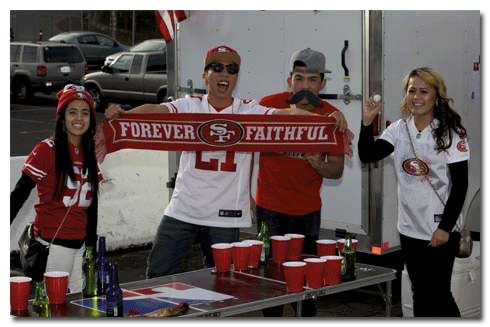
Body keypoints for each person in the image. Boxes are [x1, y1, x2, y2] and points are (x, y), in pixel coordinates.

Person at [104, 45, 345, 279]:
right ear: (205, 75)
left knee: (222, 283)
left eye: (231, 70)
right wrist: (124, 114)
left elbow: (288, 115)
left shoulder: (249, 111)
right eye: (217, 67)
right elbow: (157, 110)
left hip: (224, 215)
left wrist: (326, 120)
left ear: (237, 77)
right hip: (184, 209)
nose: (224, 73)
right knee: (157, 273)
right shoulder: (190, 105)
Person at [358, 67, 468, 317]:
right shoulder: (398, 129)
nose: (417, 97)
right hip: (409, 228)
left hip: (440, 228)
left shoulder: (451, 133)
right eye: (412, 91)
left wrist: (444, 228)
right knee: (419, 292)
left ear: (436, 97)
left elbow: (460, 185)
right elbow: (367, 156)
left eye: (424, 91)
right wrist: (367, 123)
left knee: (439, 294)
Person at [254, 48, 347, 317]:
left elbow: (337, 170)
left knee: (306, 284)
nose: (305, 87)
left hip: (308, 210)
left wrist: (318, 164)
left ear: (323, 83)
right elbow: (245, 144)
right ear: (289, 81)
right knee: (271, 282)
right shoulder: (267, 107)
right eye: (299, 79)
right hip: (270, 207)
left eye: (312, 80)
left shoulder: (333, 117)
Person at [11, 84, 103, 292]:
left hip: (79, 246)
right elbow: (19, 194)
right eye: (72, 112)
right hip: (54, 245)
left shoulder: (89, 152)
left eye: (85, 112)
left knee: (81, 305)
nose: (79, 118)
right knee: (56, 307)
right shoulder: (46, 149)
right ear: (62, 117)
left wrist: (91, 248)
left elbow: (91, 207)